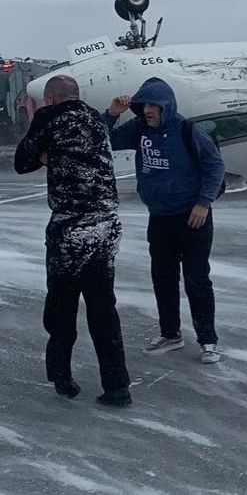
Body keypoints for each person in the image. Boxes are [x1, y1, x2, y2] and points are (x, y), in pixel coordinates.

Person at [14, 75, 132, 406]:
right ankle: (117, 386)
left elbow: (21, 162)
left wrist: (40, 151)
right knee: (103, 308)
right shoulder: (95, 119)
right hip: (106, 226)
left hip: (70, 227)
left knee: (62, 306)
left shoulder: (49, 117)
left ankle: (61, 377)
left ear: (50, 98)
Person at [103, 77, 226, 363]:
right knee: (163, 278)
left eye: (153, 105)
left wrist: (203, 203)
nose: (147, 110)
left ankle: (208, 340)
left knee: (196, 280)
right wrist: (111, 114)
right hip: (159, 217)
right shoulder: (139, 129)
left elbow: (215, 166)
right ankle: (170, 333)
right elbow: (104, 139)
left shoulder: (188, 130)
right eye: (143, 105)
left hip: (193, 217)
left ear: (166, 106)